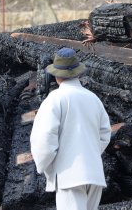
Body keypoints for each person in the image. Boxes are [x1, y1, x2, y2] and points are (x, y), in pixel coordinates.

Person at [30, 47, 112, 210]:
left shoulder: (55, 99)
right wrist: (90, 154)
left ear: (56, 75)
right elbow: (105, 134)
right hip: (94, 175)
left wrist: (43, 165)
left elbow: (44, 140)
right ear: (78, 73)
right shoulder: (93, 98)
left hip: (69, 176)